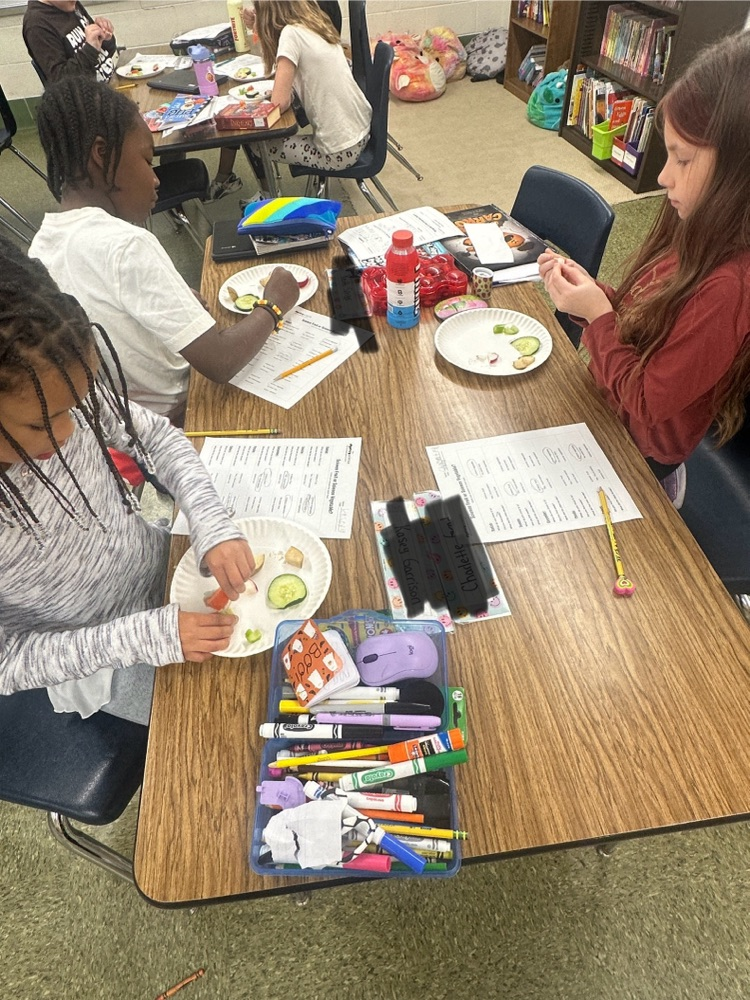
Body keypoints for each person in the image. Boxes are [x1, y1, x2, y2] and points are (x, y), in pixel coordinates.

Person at [0, 235, 256, 725]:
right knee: (231, 722)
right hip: (108, 661)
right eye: (42, 423)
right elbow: (9, 659)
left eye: (77, 406)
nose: (71, 431)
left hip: (169, 570)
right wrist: (147, 637)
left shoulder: (50, 380)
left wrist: (211, 522)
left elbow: (158, 437)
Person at [539, 31, 750, 505]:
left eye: (683, 158)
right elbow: (649, 316)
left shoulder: (730, 287)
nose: (662, 176)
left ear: (739, 169)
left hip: (641, 454)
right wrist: (596, 298)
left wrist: (599, 317)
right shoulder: (692, 215)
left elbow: (650, 404)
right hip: (610, 409)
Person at [29, 77, 300, 425]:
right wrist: (274, 305)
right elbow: (220, 362)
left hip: (123, 427)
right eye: (146, 161)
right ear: (101, 154)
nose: (156, 179)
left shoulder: (40, 249)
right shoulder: (127, 244)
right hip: (185, 417)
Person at [241, 0, 371, 176]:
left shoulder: (290, 35)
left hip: (339, 152)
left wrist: (261, 29)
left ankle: (268, 197)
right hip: (361, 132)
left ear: (267, 13)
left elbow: (279, 104)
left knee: (256, 143)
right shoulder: (315, 20)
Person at [23, 0, 117, 84]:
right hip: (88, 98)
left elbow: (104, 55)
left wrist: (105, 37)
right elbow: (61, 82)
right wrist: (90, 49)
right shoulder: (36, 25)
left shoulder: (69, 4)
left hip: (111, 83)